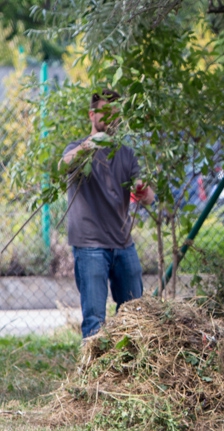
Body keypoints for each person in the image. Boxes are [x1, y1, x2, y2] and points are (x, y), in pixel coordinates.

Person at [61, 89, 155, 338]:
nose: (111, 117)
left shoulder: (126, 153)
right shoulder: (78, 149)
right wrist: (88, 146)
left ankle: (127, 362)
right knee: (95, 323)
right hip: (90, 246)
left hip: (123, 244)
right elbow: (63, 165)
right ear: (91, 115)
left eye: (116, 113)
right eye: (105, 112)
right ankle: (93, 363)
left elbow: (148, 197)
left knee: (135, 317)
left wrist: (143, 190)